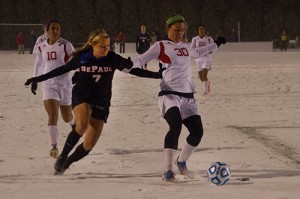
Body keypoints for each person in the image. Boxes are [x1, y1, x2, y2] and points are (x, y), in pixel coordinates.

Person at [25, 28, 163, 175]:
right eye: (102, 46)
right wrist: (37, 78)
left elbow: (134, 70)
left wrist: (157, 75)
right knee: (82, 123)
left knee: (89, 144)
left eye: (108, 46)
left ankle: (66, 163)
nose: (106, 49)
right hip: (82, 95)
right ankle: (63, 155)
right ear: (93, 45)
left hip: (102, 99)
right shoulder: (83, 58)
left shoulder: (112, 58)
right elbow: (61, 70)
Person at [132, 15, 226, 182]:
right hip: (169, 94)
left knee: (197, 132)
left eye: (182, 30)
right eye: (177, 30)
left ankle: (181, 160)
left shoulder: (186, 46)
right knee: (175, 127)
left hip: (188, 96)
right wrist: (124, 65)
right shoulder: (160, 45)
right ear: (168, 29)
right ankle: (168, 171)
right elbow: (141, 59)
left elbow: (200, 52)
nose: (180, 33)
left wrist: (216, 43)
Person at [30, 18, 76, 159]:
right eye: (53, 28)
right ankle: (54, 147)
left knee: (66, 116)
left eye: (58, 28)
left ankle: (74, 125)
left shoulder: (66, 45)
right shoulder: (41, 46)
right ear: (46, 31)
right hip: (49, 84)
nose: (55, 31)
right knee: (52, 114)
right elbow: (38, 63)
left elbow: (76, 62)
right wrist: (35, 79)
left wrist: (79, 76)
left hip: (65, 85)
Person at [190, 24, 214, 95]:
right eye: (200, 29)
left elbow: (214, 47)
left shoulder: (209, 39)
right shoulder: (195, 39)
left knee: (204, 76)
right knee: (201, 78)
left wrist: (209, 51)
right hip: (198, 59)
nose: (201, 30)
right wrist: (195, 52)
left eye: (203, 29)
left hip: (206, 59)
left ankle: (206, 91)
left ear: (205, 30)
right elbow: (191, 48)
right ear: (198, 30)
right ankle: (208, 83)